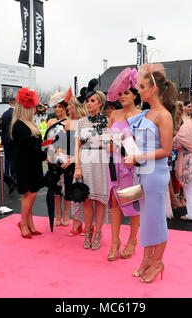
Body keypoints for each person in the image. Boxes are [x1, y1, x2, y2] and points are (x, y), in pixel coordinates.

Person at [125, 64, 174, 283]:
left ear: (153, 89)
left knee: (155, 219)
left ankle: (158, 262)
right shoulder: (147, 113)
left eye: (142, 87)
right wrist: (130, 150)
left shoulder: (164, 115)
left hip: (155, 175)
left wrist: (138, 157)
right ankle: (146, 259)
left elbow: (166, 150)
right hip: (142, 172)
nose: (139, 91)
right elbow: (142, 144)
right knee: (145, 219)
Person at [105, 67, 142, 262]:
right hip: (113, 164)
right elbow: (106, 141)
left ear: (136, 94)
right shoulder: (114, 114)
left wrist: (126, 142)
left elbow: (143, 145)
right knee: (115, 204)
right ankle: (114, 242)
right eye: (120, 93)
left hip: (132, 166)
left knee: (132, 203)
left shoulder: (142, 115)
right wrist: (109, 144)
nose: (121, 96)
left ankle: (132, 240)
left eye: (126, 92)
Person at [74, 79, 109, 251]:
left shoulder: (108, 121)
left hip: (102, 163)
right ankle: (88, 232)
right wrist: (77, 166)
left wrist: (106, 142)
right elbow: (77, 147)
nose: (89, 103)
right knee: (87, 200)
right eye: (87, 101)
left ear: (100, 103)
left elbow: (113, 145)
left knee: (100, 201)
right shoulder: (81, 122)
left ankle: (99, 233)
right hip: (86, 163)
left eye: (92, 100)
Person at [10, 88, 46, 238]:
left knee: (31, 194)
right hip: (26, 164)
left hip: (33, 163)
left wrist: (44, 150)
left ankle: (29, 224)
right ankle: (23, 223)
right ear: (25, 109)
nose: (34, 111)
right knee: (29, 194)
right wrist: (45, 154)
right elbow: (29, 147)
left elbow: (34, 146)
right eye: (31, 108)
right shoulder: (19, 125)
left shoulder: (29, 124)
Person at [63, 96, 89, 237]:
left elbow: (84, 146)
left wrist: (73, 160)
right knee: (74, 195)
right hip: (69, 164)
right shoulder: (67, 123)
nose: (68, 108)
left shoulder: (86, 122)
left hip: (82, 162)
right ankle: (76, 223)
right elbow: (62, 144)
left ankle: (86, 223)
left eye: (70, 106)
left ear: (77, 106)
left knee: (85, 195)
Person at [45, 91, 71, 227]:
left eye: (60, 106)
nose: (57, 109)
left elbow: (71, 141)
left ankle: (66, 215)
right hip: (52, 158)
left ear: (65, 107)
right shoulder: (50, 121)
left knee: (66, 187)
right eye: (55, 107)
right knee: (55, 188)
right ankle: (58, 215)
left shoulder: (70, 121)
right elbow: (47, 141)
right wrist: (49, 156)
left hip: (65, 157)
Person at [1, 98, 16, 177]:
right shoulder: (17, 114)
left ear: (9, 103)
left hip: (6, 140)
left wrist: (2, 142)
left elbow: (3, 129)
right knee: (14, 159)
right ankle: (13, 175)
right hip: (15, 140)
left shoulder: (5, 114)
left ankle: (6, 175)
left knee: (7, 159)